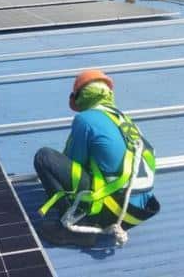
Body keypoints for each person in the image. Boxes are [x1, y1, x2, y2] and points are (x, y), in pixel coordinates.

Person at [33, 69, 160, 247]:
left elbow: (74, 161)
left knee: (44, 157)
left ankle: (76, 224)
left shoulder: (85, 119)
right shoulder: (124, 121)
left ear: (80, 97)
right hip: (137, 211)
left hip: (112, 209)